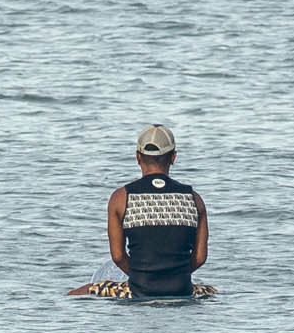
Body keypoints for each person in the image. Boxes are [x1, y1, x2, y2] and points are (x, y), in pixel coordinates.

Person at [68, 124, 211, 299]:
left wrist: (145, 278)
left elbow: (119, 257)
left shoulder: (121, 198)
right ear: (173, 157)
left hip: (138, 289)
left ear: (137, 157)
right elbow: (200, 257)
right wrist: (171, 276)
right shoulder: (195, 199)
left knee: (76, 294)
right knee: (213, 290)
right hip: (182, 289)